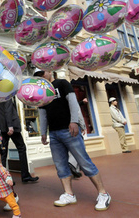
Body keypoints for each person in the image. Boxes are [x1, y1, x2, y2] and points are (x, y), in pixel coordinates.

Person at [34, 69, 111, 211]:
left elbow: (73, 103)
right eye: (37, 75)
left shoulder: (62, 83)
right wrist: (43, 132)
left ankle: (103, 193)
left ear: (50, 71)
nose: (40, 76)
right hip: (54, 134)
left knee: (84, 162)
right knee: (61, 166)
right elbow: (42, 113)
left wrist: (74, 121)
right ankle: (69, 194)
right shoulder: (41, 92)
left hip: (69, 130)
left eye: (42, 73)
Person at [0, 98, 39, 184]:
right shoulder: (7, 95)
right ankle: (25, 175)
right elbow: (8, 110)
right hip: (11, 128)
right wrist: (10, 126)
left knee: (3, 153)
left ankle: (4, 179)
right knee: (22, 148)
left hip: (2, 128)